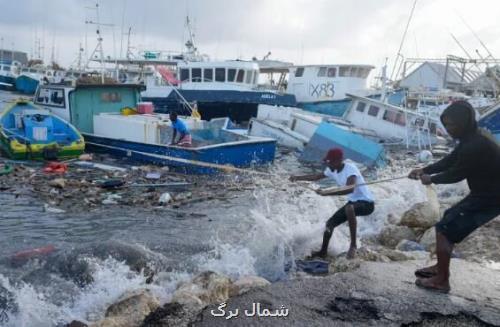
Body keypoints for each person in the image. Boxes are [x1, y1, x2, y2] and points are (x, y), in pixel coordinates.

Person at [409, 100, 500, 293]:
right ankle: (440, 268)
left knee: (444, 228)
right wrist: (424, 169)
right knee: (448, 218)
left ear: (464, 122)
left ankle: (442, 280)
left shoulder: (474, 145)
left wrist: (430, 179)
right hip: (486, 192)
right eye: (446, 124)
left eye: (452, 125)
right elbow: (451, 159)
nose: (448, 129)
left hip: (492, 196)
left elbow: (456, 173)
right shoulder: (473, 136)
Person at [290, 148, 375, 259]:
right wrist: (297, 178)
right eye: (327, 162)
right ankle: (323, 252)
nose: (328, 164)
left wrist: (327, 193)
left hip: (367, 204)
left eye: (330, 162)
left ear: (339, 160)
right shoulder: (332, 169)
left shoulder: (350, 169)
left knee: (349, 208)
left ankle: (353, 245)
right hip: (353, 203)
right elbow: (316, 177)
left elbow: (349, 189)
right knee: (329, 224)